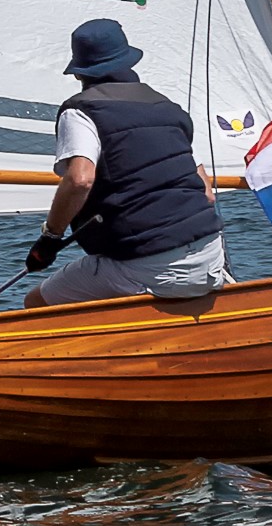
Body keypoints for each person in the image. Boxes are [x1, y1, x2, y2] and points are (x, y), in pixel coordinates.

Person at [22, 18, 228, 309]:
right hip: (210, 259)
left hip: (147, 267)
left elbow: (80, 180)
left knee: (36, 303)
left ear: (80, 73)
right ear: (128, 61)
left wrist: (50, 238)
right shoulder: (170, 109)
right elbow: (205, 193)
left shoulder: (81, 111)